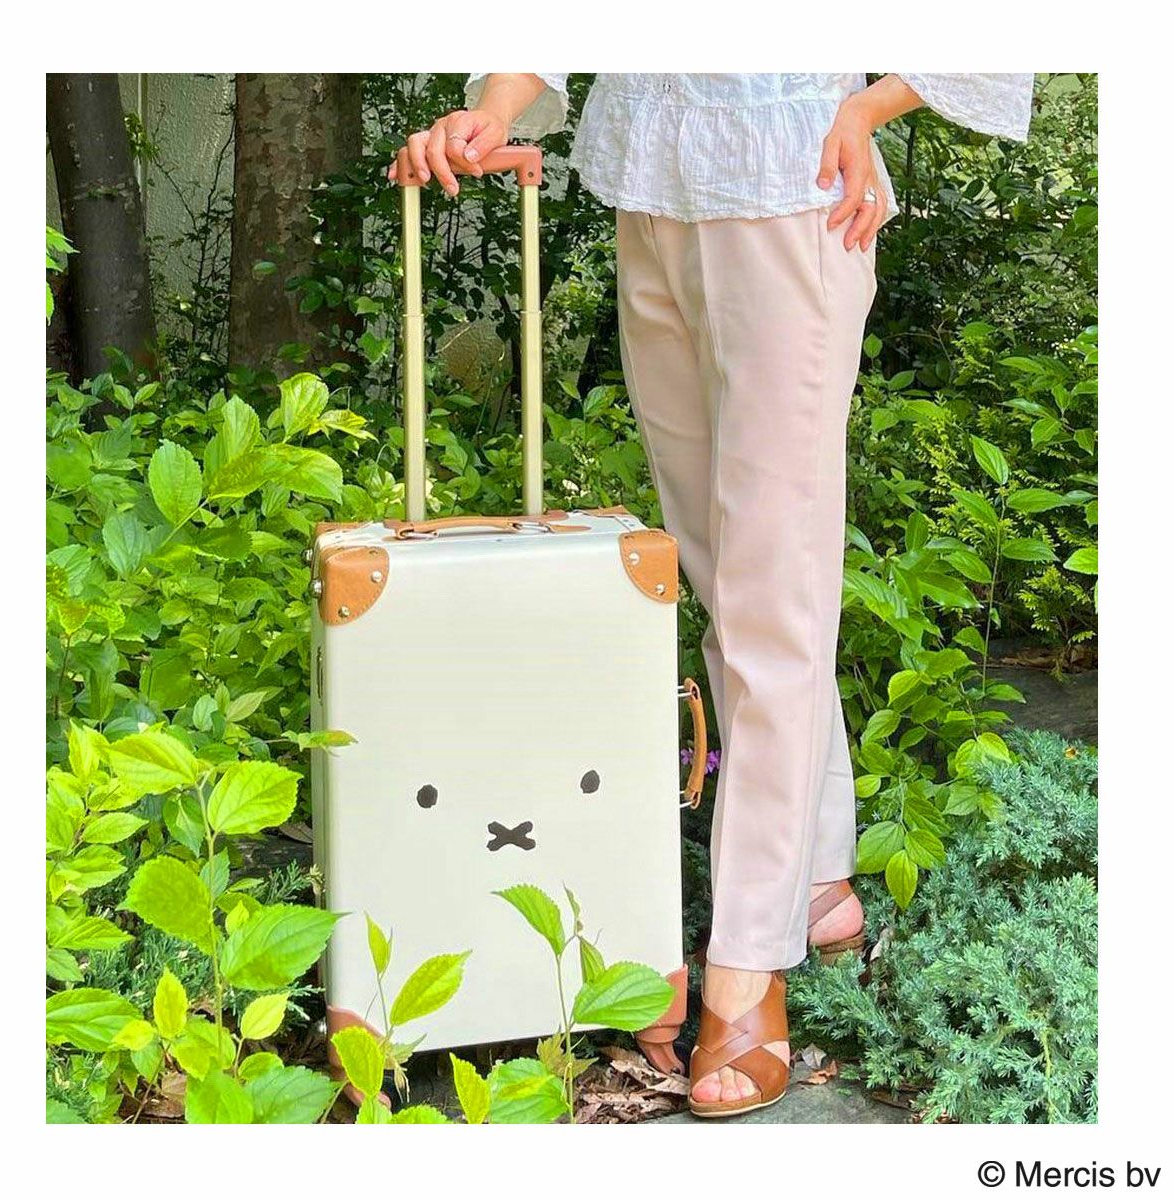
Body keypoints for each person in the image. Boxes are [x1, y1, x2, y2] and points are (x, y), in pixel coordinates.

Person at [392, 71, 1034, 1119]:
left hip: (794, 190)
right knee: (727, 579)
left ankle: (747, 962)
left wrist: (867, 107)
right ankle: (816, 879)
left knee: (773, 595)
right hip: (654, 197)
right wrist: (496, 109)